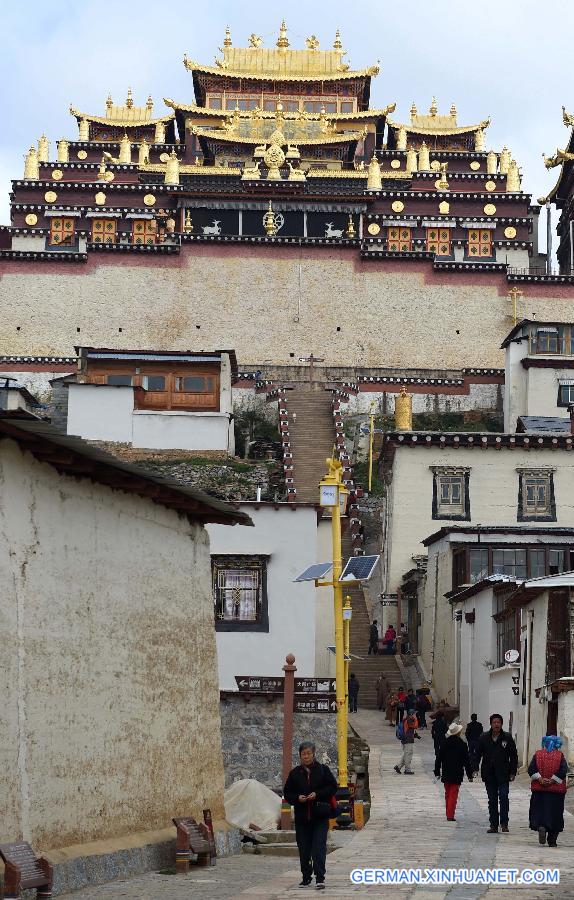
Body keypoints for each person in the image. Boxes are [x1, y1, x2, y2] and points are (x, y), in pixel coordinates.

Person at [283, 741, 338, 890]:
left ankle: (320, 877)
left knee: (319, 847)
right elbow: (287, 792)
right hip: (302, 818)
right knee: (304, 849)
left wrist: (318, 794)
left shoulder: (323, 770)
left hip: (320, 817)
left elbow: (333, 786)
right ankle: (306, 876)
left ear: (313, 754)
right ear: (300, 755)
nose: (306, 756)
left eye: (308, 753)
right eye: (303, 754)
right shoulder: (295, 774)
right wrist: (297, 798)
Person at [477, 713, 518, 834]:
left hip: (504, 774)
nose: (496, 724)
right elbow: (477, 754)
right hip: (489, 774)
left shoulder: (507, 737)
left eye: (498, 722)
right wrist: (474, 768)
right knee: (492, 799)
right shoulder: (483, 737)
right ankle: (493, 824)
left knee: (504, 798)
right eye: (494, 722)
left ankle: (504, 823)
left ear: (501, 724)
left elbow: (513, 756)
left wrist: (513, 772)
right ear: (491, 724)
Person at [528, 735, 568, 847]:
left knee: (540, 811)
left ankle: (542, 826)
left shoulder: (538, 754)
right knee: (555, 814)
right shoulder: (560, 756)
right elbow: (563, 770)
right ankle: (552, 840)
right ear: (557, 744)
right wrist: (552, 780)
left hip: (539, 790)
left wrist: (540, 778)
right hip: (556, 792)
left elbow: (531, 769)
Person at [434, 722, 473, 821]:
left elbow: (439, 758)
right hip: (457, 772)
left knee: (447, 793)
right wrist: (469, 775)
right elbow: (466, 761)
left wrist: (437, 771)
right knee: (453, 794)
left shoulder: (444, 743)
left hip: (446, 772)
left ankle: (448, 812)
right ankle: (450, 815)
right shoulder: (462, 745)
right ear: (458, 732)